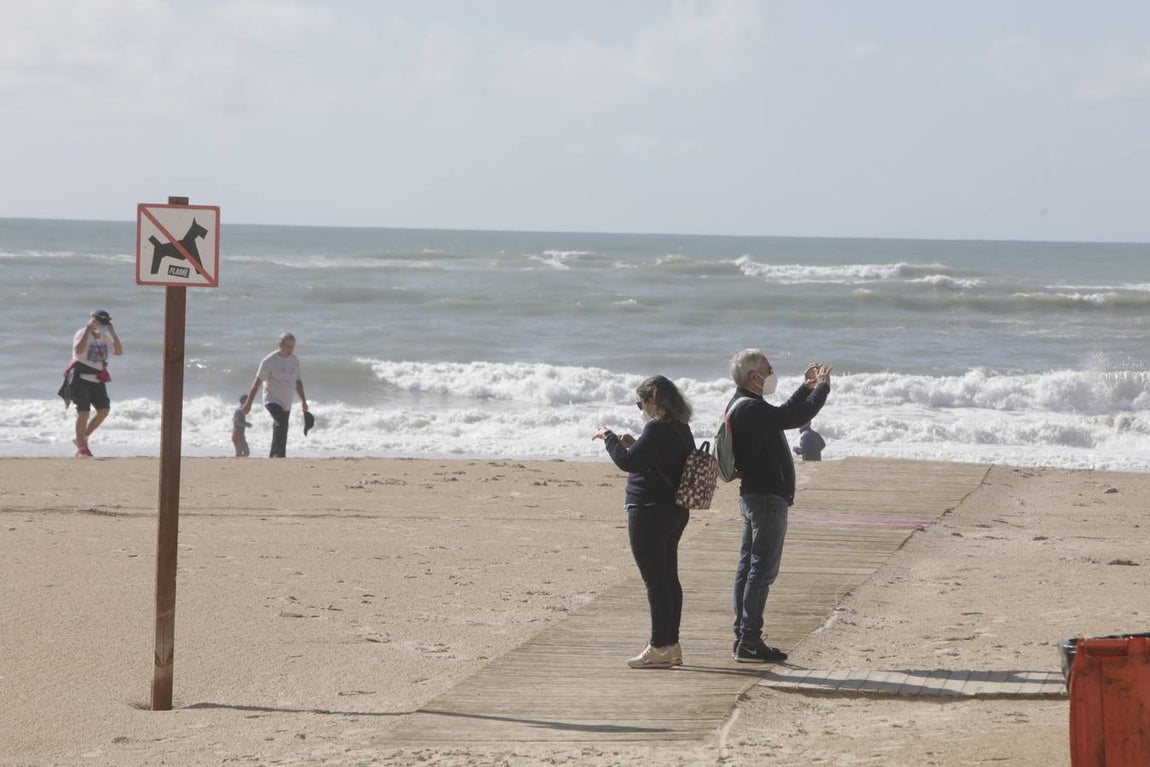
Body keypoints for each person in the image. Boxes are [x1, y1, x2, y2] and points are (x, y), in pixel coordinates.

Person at [726, 349, 831, 663]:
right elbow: (793, 418)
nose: (772, 373)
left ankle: (744, 636)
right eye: (768, 369)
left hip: (757, 496)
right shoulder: (750, 408)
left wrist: (806, 388)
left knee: (749, 568)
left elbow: (782, 414)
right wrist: (823, 388)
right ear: (753, 376)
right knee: (761, 570)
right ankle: (749, 639)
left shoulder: (747, 405)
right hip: (765, 498)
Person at [594, 375, 695, 669]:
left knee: (655, 582)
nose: (641, 409)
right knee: (669, 578)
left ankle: (658, 646)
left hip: (649, 510)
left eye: (641, 402)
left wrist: (609, 438)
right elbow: (654, 459)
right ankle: (672, 644)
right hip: (675, 510)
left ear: (653, 399)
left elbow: (627, 462)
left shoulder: (656, 427)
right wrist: (633, 444)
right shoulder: (681, 428)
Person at [242, 333, 309, 458]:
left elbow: (298, 382)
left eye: (292, 347)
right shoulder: (269, 361)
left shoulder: (294, 360)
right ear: (280, 345)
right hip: (271, 399)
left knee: (281, 425)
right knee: (281, 423)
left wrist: (304, 401)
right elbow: (257, 383)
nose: (290, 349)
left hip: (287, 402)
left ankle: (273, 455)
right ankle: (280, 455)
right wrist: (248, 404)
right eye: (288, 346)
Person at [68, 309, 123, 458]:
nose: (102, 325)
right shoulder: (82, 333)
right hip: (80, 378)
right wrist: (88, 329)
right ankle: (81, 448)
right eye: (99, 322)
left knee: (104, 410)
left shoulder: (105, 336)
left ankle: (81, 438)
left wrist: (112, 332)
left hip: (97, 378)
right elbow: (78, 350)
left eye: (105, 323)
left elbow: (118, 351)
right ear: (92, 320)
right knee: (83, 412)